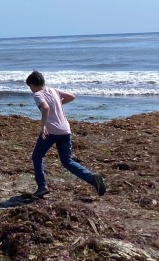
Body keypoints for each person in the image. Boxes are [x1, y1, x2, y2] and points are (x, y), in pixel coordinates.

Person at [25, 70, 106, 198]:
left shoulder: (38, 95)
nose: (31, 90)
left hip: (51, 130)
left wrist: (43, 125)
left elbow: (45, 108)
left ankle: (42, 186)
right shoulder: (53, 91)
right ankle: (91, 178)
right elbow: (71, 96)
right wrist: (57, 103)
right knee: (67, 161)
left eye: (30, 87)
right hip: (65, 130)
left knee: (37, 156)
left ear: (32, 85)